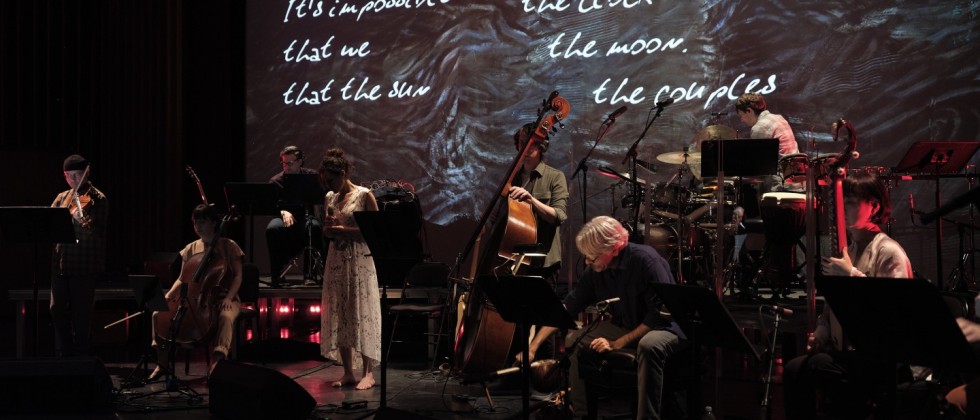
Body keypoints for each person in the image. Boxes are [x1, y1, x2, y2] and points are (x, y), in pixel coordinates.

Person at [521, 216, 685, 420]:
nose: (587, 261)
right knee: (574, 340)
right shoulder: (596, 269)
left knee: (648, 345)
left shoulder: (646, 260)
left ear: (615, 248)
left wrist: (617, 343)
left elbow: (658, 315)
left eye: (593, 256)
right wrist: (533, 347)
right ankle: (581, 415)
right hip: (628, 325)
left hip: (664, 327)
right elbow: (567, 309)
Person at [783, 171, 913, 419]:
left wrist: (851, 274)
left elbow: (894, 311)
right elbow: (832, 307)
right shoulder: (849, 250)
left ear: (874, 206)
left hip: (881, 358)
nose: (842, 209)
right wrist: (821, 334)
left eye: (851, 202)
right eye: (841, 203)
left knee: (818, 366)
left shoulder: (889, 252)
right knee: (794, 369)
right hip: (851, 352)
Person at [150, 204, 243, 378]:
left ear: (214, 223)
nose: (197, 226)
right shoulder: (190, 248)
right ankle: (162, 363)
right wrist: (169, 296)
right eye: (195, 222)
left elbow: (238, 276)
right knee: (157, 314)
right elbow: (182, 278)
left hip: (225, 297)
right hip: (195, 299)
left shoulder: (229, 246)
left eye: (202, 221)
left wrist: (229, 297)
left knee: (225, 317)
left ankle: (217, 360)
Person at [318, 148, 381, 390]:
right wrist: (329, 229)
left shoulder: (364, 196)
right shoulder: (330, 197)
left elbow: (375, 233)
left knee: (360, 312)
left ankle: (368, 373)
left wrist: (343, 231)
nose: (329, 185)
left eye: (331, 180)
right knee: (341, 312)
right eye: (326, 182)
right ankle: (347, 372)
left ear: (343, 173)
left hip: (359, 260)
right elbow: (327, 231)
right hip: (337, 259)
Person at [50, 154, 108, 357]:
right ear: (65, 176)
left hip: (84, 266)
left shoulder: (98, 199)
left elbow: (97, 232)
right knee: (56, 309)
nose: (75, 180)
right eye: (70, 176)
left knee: (82, 314)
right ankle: (66, 352)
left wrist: (82, 221)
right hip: (60, 265)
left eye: (78, 175)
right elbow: (49, 224)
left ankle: (81, 355)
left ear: (86, 173)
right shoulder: (61, 198)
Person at [510, 123, 570, 284]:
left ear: (541, 146)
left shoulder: (555, 176)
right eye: (522, 142)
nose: (525, 147)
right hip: (515, 259)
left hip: (543, 262)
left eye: (531, 143)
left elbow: (559, 216)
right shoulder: (512, 178)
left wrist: (531, 200)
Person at [266, 145, 324, 286]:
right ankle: (276, 275)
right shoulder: (275, 181)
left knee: (314, 227)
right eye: (284, 163)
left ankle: (309, 275)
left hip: (306, 217)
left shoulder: (311, 176)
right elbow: (270, 205)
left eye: (290, 163)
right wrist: (282, 212)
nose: (286, 167)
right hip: (282, 217)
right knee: (272, 229)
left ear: (300, 162)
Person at [734, 92, 799, 157]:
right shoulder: (779, 117)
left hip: (783, 163)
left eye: (741, 116)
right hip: (798, 161)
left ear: (749, 111)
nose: (741, 120)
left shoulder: (759, 127)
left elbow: (757, 159)